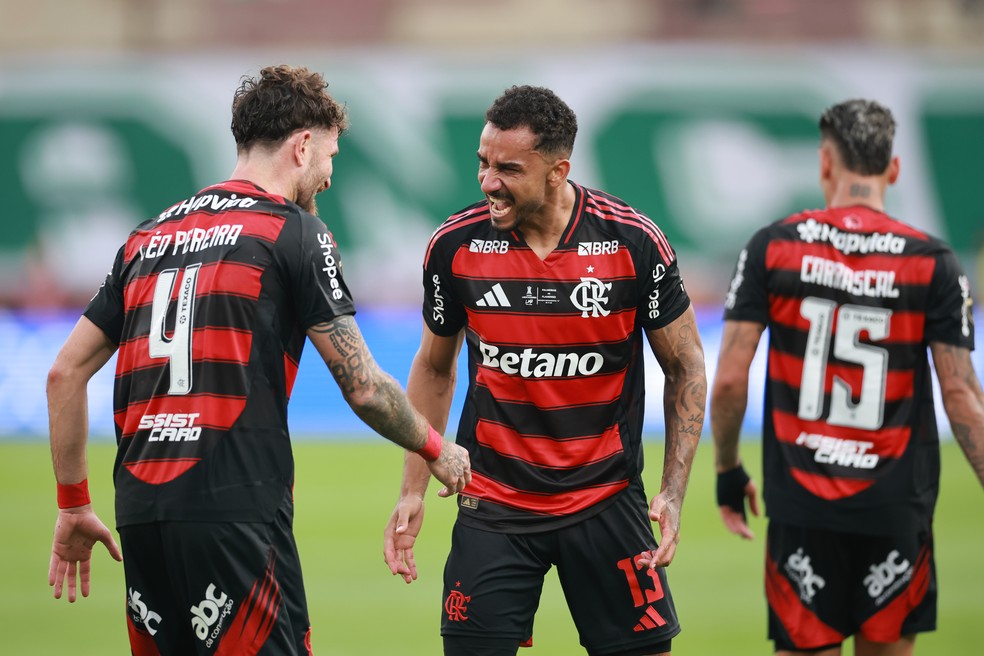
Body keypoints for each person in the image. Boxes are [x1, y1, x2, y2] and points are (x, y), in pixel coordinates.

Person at [46, 64, 471, 655]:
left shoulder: (146, 238)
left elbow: (63, 373)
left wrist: (73, 505)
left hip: (140, 514)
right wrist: (436, 448)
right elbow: (365, 386)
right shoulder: (291, 232)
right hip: (235, 511)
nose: (327, 176)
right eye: (329, 158)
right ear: (302, 146)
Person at [383, 85, 706, 656]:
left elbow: (685, 367)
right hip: (493, 503)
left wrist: (673, 492)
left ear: (558, 171)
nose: (488, 182)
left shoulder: (633, 242)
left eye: (508, 169)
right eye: (482, 163)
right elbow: (435, 368)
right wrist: (413, 487)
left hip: (606, 500)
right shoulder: (454, 246)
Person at [711, 98, 984, 656]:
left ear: (825, 165)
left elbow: (731, 379)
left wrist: (727, 469)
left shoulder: (774, 246)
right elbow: (960, 394)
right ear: (894, 169)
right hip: (894, 505)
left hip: (802, 505)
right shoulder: (933, 261)